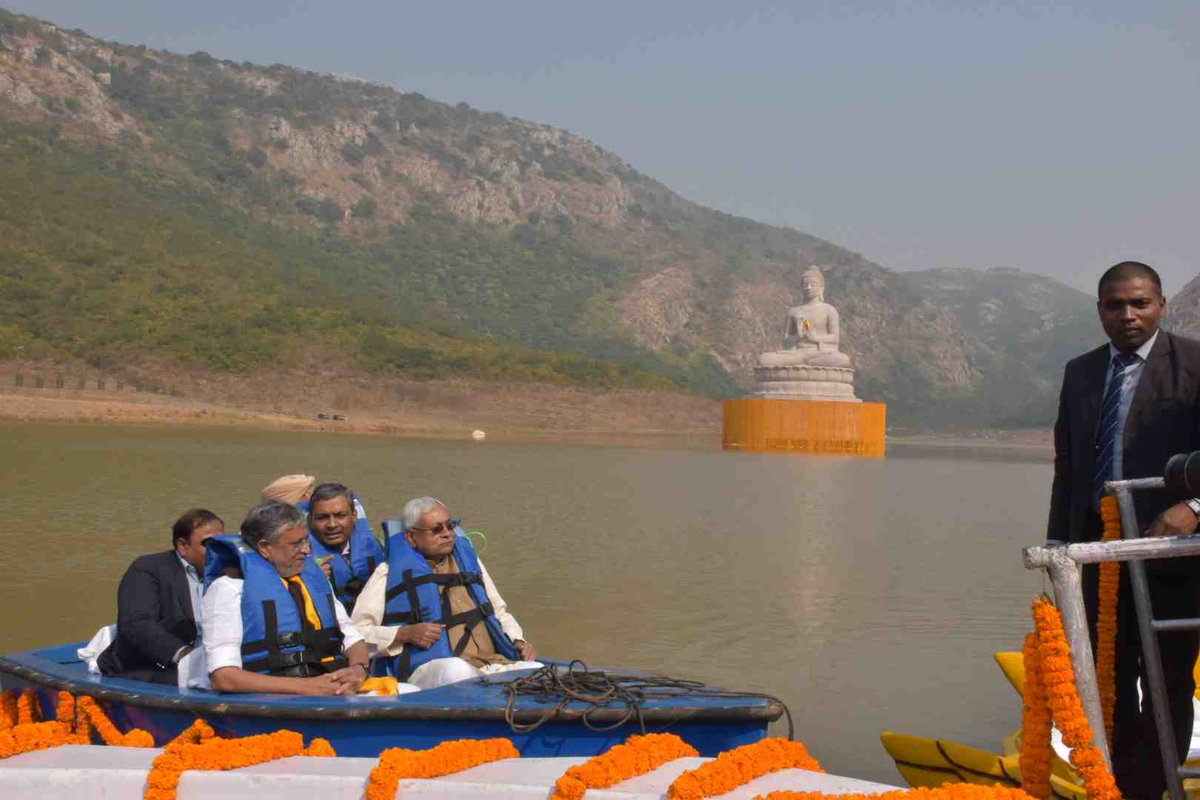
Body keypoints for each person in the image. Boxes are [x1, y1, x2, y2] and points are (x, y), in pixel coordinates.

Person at [1048, 261, 1200, 800]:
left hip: (1171, 553)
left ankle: (1150, 789)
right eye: (1116, 305)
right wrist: (1057, 549)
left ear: (1162, 305)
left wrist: (1196, 505)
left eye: (1139, 303)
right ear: (1100, 312)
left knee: (1167, 679)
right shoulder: (1082, 372)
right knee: (1104, 679)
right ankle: (1115, 783)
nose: (1128, 315)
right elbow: (1068, 468)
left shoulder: (1194, 364)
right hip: (1097, 552)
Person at [351, 497, 540, 689]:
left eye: (450, 526)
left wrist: (518, 640)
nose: (447, 534)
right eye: (436, 529)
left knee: (536, 668)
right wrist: (404, 634)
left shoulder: (470, 564)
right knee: (456, 669)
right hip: (430, 671)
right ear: (411, 537)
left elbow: (497, 611)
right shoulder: (388, 572)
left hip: (489, 664)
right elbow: (356, 635)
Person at [201, 501, 369, 695]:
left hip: (330, 689)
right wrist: (308, 687)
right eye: (297, 544)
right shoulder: (228, 588)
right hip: (272, 700)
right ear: (265, 548)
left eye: (306, 541)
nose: (306, 550)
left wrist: (358, 670)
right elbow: (223, 678)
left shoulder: (313, 578)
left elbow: (351, 637)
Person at [97, 509, 224, 684]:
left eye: (221, 543)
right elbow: (137, 623)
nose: (217, 551)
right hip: (150, 666)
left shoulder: (228, 573)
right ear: (183, 546)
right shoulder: (148, 569)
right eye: (208, 544)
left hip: (213, 662)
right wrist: (186, 656)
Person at [307, 482, 385, 612]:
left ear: (354, 516)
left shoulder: (378, 550)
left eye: (340, 516)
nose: (332, 524)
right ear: (311, 521)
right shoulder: (299, 560)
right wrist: (305, 580)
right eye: (322, 518)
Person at [758, 264, 852, 368]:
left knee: (842, 359)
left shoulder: (829, 310)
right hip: (798, 353)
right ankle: (808, 365)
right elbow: (786, 340)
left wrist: (815, 337)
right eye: (805, 285)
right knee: (764, 359)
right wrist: (797, 337)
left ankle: (807, 365)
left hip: (819, 353)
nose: (808, 287)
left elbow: (835, 338)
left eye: (813, 284)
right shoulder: (793, 311)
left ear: (821, 288)